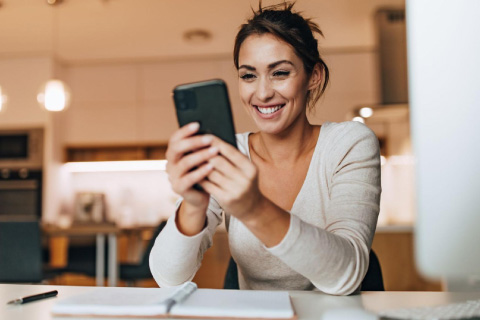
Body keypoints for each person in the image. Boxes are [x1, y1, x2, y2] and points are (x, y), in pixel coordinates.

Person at [149, 2, 381, 296]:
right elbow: (168, 279)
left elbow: (346, 276)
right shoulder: (228, 153)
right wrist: (193, 204)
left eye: (280, 73)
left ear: (314, 76)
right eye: (248, 76)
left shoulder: (349, 143)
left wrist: (253, 208)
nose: (262, 93)